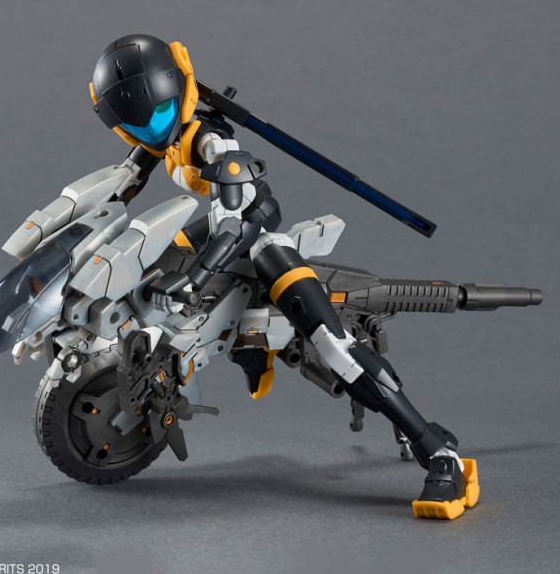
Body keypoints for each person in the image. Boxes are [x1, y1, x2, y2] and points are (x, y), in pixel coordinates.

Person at [31, 33, 480, 519]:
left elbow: (235, 225)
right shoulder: (158, 139)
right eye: (137, 125)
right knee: (147, 286)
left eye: (159, 115)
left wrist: (195, 280)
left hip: (257, 239)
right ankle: (236, 350)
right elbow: (120, 186)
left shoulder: (213, 143)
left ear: (179, 88)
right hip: (211, 234)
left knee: (334, 347)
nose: (152, 131)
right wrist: (58, 232)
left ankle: (438, 450)